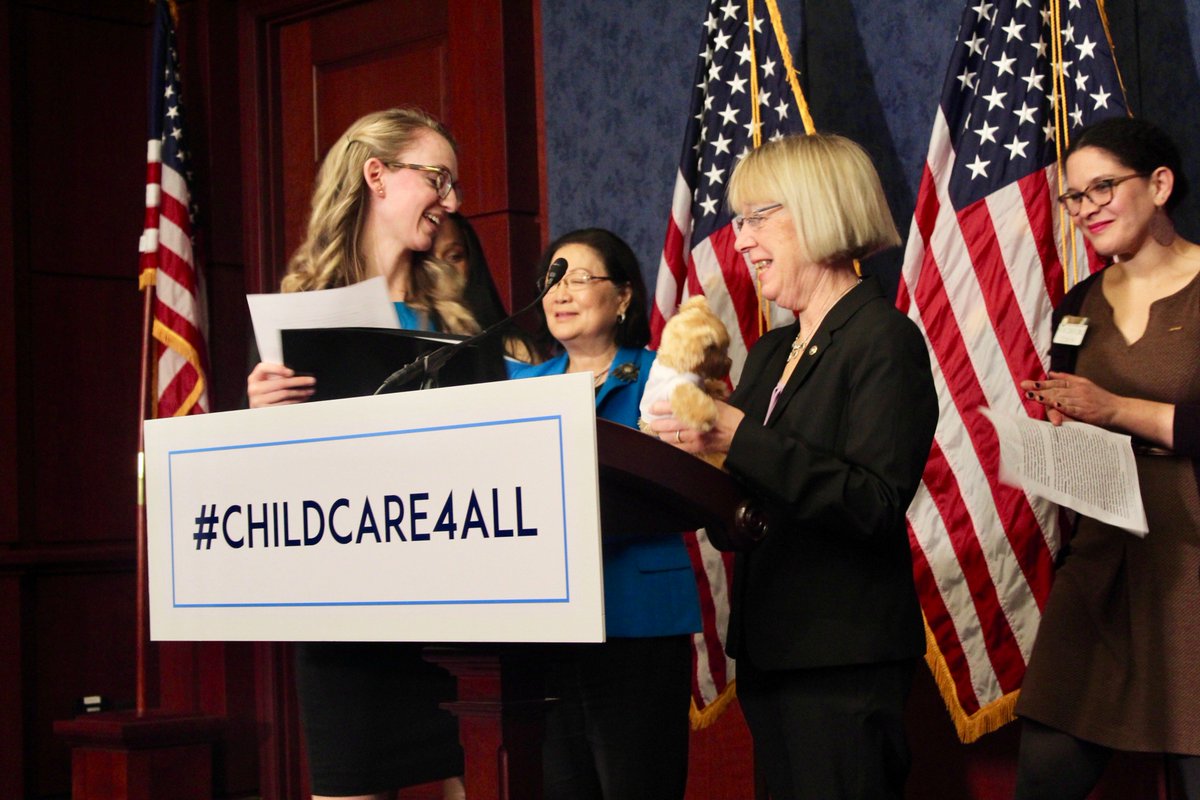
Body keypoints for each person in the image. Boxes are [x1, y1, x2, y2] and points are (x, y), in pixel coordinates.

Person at [649, 133, 938, 800]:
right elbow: (747, 500)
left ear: (820, 209)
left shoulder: (883, 339)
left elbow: (872, 503)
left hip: (842, 660)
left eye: (757, 217)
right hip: (772, 649)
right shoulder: (771, 351)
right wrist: (688, 464)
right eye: (738, 221)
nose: (741, 240)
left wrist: (735, 434)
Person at [246, 107, 473, 800]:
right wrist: (259, 420)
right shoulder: (297, 313)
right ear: (377, 175)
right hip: (344, 614)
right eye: (437, 178)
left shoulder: (455, 321)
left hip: (450, 608)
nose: (451, 202)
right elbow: (276, 487)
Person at [1014, 117, 1200, 800]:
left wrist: (1118, 410)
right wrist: (1057, 426)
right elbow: (1075, 418)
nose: (1086, 208)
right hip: (1103, 562)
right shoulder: (1077, 305)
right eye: (1074, 196)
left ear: (1159, 185)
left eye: (1102, 188)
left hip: (1190, 564)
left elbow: (1113, 409)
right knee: (1045, 771)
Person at [508, 228, 701, 800]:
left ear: (622, 297)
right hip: (546, 623)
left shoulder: (663, 375)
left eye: (579, 278)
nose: (561, 293)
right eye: (552, 281)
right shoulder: (518, 387)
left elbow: (692, 481)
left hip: (638, 618)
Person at [432, 211, 539, 362]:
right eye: (427, 261)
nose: (441, 269)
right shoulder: (407, 329)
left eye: (454, 257)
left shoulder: (514, 348)